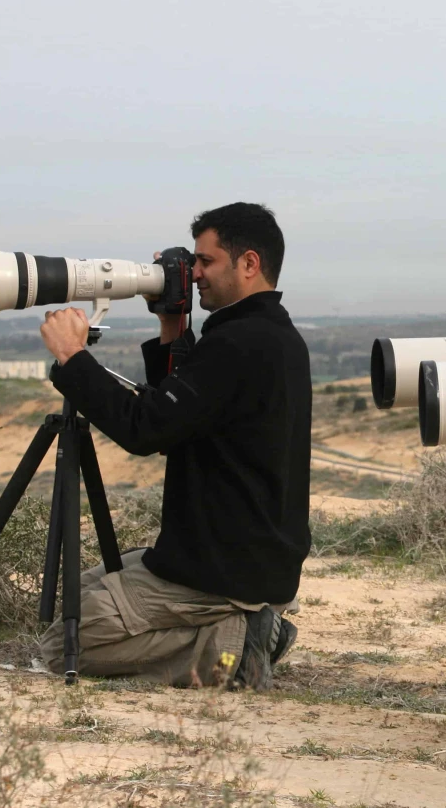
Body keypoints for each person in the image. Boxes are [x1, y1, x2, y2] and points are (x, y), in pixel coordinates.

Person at [36, 202, 311, 691]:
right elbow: (177, 415)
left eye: (206, 262)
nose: (196, 273)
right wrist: (172, 324)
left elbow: (145, 429)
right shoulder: (269, 335)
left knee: (63, 646)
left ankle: (233, 648)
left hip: (219, 574)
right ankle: (240, 629)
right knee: (84, 592)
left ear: (249, 263)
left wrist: (73, 359)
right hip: (240, 559)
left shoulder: (239, 344)